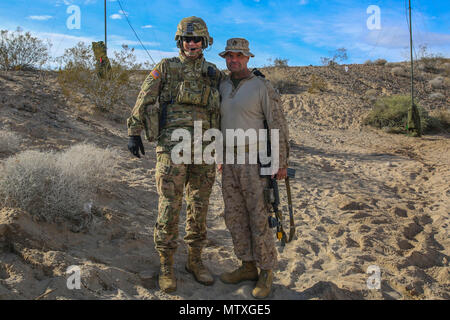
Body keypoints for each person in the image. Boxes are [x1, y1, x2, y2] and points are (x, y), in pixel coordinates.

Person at [127, 16, 222, 293]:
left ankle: (195, 260)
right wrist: (133, 131)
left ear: (205, 42)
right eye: (187, 39)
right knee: (170, 205)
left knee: (199, 206)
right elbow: (144, 96)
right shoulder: (166, 68)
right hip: (172, 149)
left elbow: (231, 99)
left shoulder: (214, 73)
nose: (191, 44)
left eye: (196, 39)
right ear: (179, 41)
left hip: (205, 149)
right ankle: (167, 264)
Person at [217, 38, 290, 299]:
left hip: (255, 162)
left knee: (259, 217)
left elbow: (277, 123)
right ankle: (247, 265)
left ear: (248, 58)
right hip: (229, 162)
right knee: (235, 217)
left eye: (239, 55)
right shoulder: (223, 85)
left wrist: (280, 162)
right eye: (229, 56)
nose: (233, 60)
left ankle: (266, 271)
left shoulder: (262, 86)